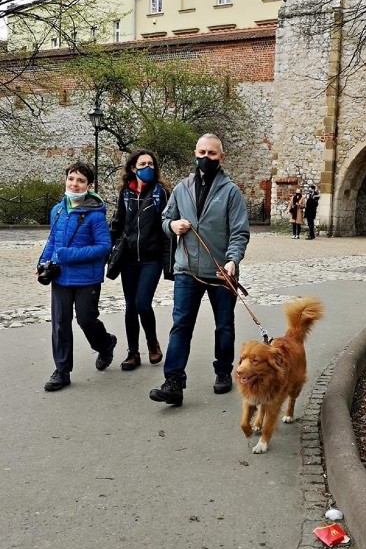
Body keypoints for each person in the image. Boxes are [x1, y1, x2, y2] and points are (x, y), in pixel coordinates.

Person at [149, 133, 250, 406]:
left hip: (220, 272)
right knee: (181, 325)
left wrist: (232, 261)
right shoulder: (182, 188)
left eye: (212, 154)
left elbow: (239, 233)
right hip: (187, 270)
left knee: (224, 326)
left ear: (221, 158)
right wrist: (172, 226)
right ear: (195, 153)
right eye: (202, 153)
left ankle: (223, 371)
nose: (205, 158)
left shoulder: (231, 192)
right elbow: (165, 219)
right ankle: (173, 381)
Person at [37, 161, 117, 392]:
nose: (74, 184)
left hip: (87, 278)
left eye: (80, 180)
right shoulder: (58, 210)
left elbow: (104, 247)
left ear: (89, 185)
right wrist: (42, 262)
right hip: (61, 277)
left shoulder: (95, 214)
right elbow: (53, 241)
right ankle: (62, 371)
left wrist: (69, 255)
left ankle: (105, 344)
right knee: (61, 323)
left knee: (86, 320)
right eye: (71, 179)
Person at [110, 150, 171, 371]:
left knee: (142, 303)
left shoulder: (160, 193)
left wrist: (168, 263)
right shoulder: (125, 194)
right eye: (142, 164)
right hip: (128, 258)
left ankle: (152, 343)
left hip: (151, 258)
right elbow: (118, 224)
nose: (147, 167)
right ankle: (133, 353)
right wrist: (111, 251)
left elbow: (166, 228)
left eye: (151, 164)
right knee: (130, 306)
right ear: (133, 168)